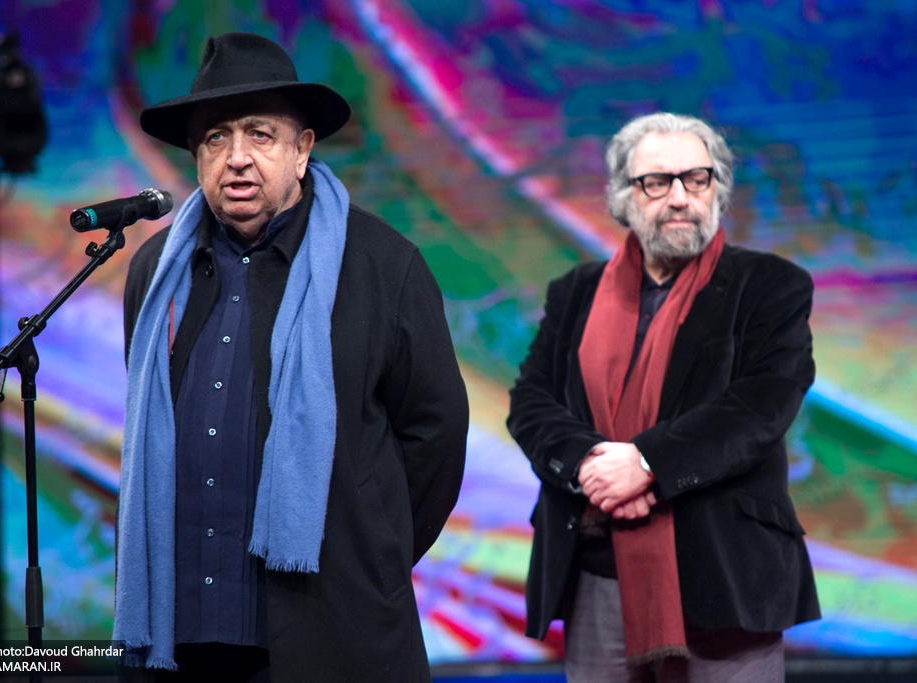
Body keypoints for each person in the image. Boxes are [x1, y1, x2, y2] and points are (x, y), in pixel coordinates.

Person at [116, 32, 469, 682]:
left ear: (302, 149)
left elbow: (436, 437)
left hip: (332, 630)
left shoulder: (383, 266)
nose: (238, 158)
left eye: (260, 134)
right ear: (195, 156)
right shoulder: (153, 272)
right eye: (216, 138)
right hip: (184, 635)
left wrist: (368, 554)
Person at [507, 112, 820, 682]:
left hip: (724, 576)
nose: (679, 197)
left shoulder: (771, 286)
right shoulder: (575, 292)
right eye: (656, 182)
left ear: (718, 190)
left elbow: (760, 406)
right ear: (623, 198)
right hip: (595, 571)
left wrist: (647, 463)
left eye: (696, 179)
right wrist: (588, 463)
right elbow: (530, 400)